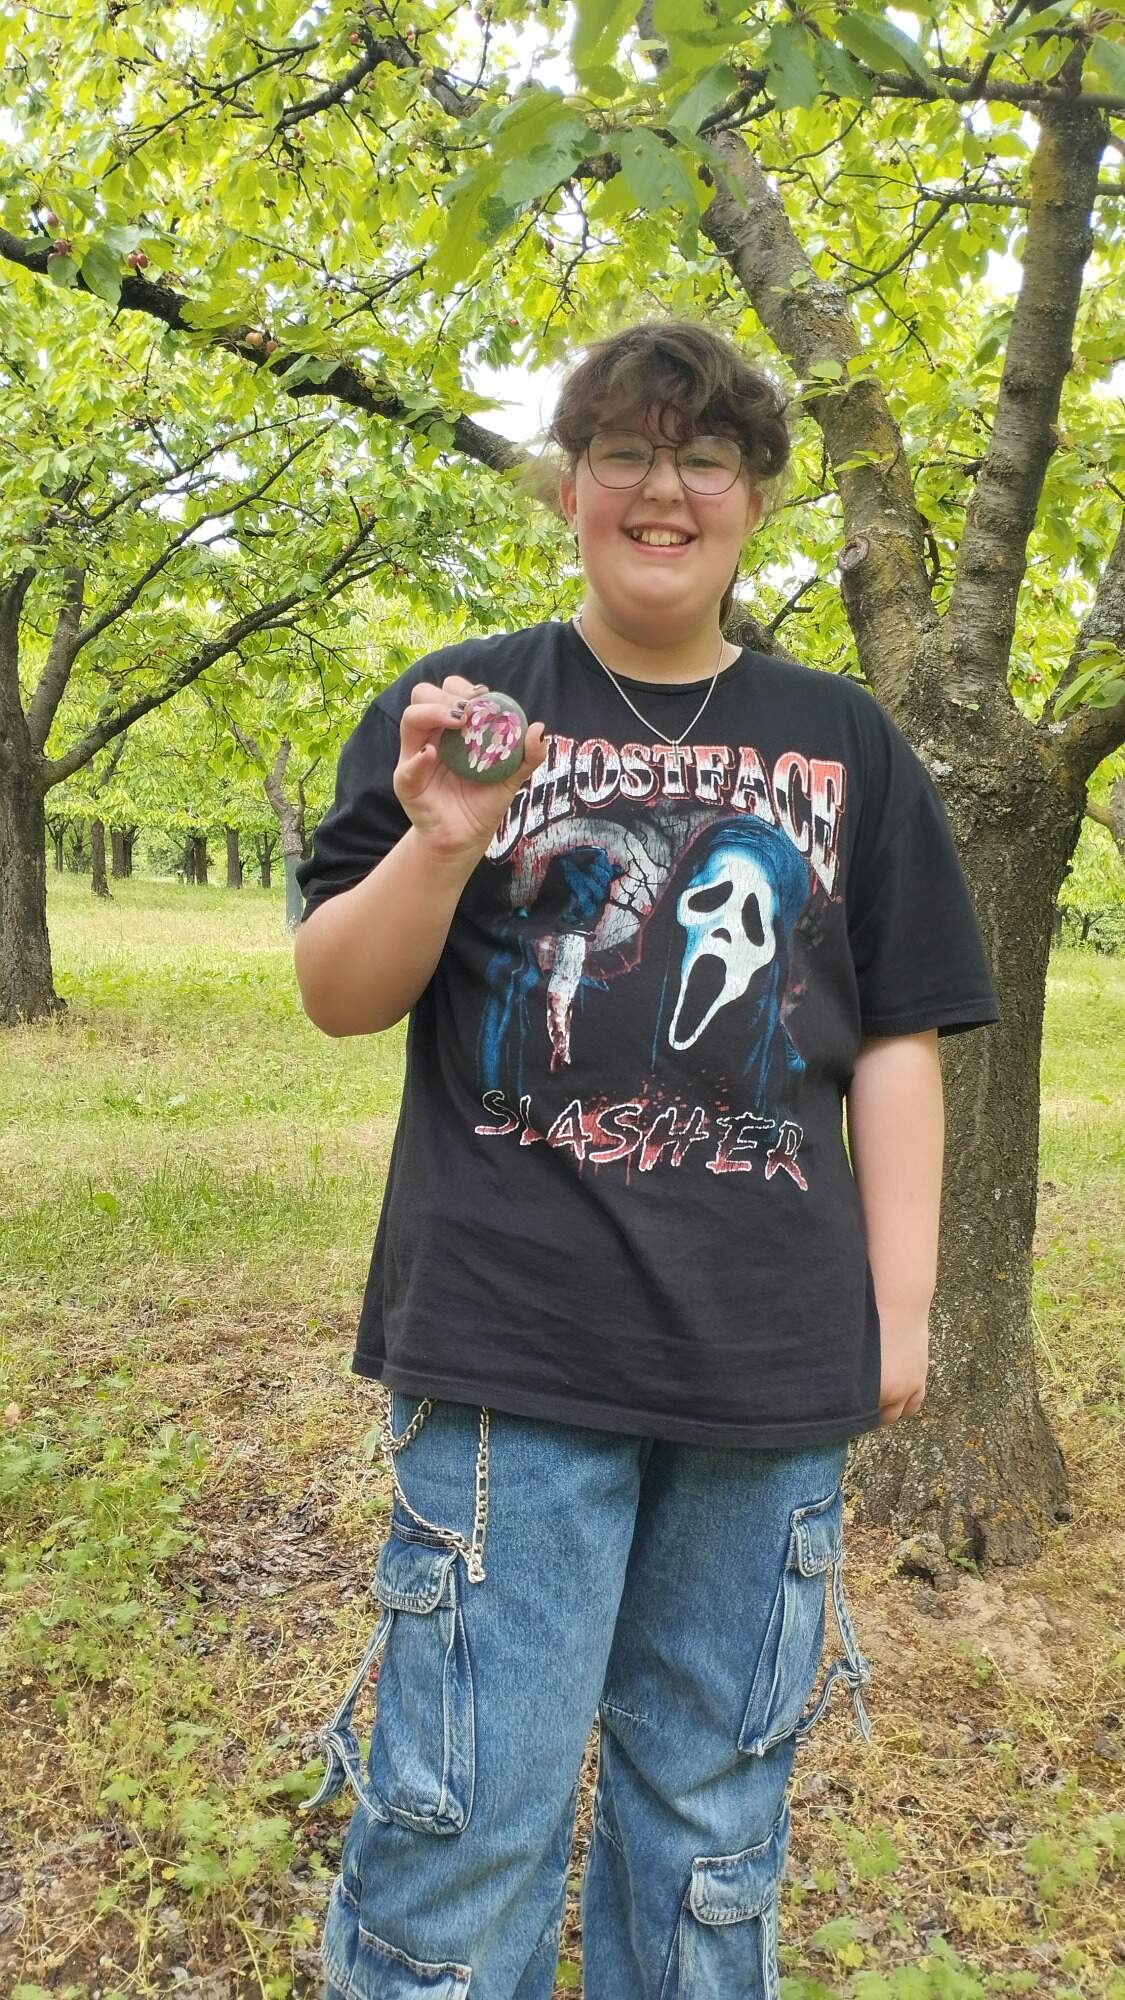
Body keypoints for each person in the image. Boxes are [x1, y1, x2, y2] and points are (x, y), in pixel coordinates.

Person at [293, 319, 999, 2000]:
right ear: (568, 488)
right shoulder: (463, 710)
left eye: (704, 458)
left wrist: (899, 1311)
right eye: (621, 451)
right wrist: (444, 844)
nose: (661, 489)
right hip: (509, 1348)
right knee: (465, 1817)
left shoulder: (846, 738)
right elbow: (337, 993)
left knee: (706, 1835)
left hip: (768, 1361)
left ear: (756, 497)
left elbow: (897, 1037)